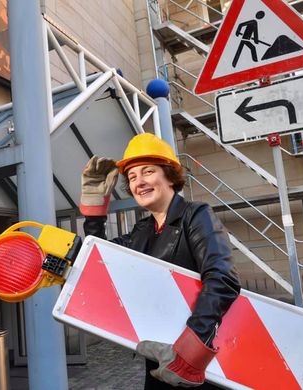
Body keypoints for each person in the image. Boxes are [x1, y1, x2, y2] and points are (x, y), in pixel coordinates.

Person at [79, 133, 241, 389]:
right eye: (132, 177)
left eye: (148, 172)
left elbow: (222, 279)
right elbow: (101, 259)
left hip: (198, 359)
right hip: (157, 355)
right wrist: (94, 212)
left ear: (168, 176)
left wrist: (190, 349)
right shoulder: (142, 230)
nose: (139, 182)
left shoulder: (196, 215)